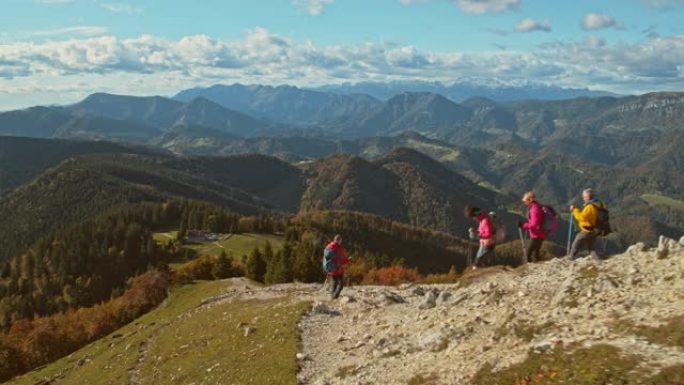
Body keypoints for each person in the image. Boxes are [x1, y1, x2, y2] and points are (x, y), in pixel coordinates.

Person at [568, 188, 605, 260]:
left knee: (576, 242)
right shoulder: (598, 204)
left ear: (588, 197)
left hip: (587, 230)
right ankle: (597, 260)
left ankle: (571, 257)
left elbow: (581, 217)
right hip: (595, 229)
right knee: (591, 247)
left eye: (584, 197)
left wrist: (574, 210)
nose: (583, 198)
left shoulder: (589, 207)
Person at [465, 205, 496, 269]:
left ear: (476, 215)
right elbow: (482, 231)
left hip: (487, 244)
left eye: (473, 217)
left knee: (478, 263)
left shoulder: (485, 221)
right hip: (485, 244)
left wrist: (478, 236)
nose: (473, 219)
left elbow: (489, 234)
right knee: (478, 261)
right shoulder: (482, 220)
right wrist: (475, 231)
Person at [519, 191, 545, 263]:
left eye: (525, 201)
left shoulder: (534, 209)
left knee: (527, 254)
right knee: (535, 253)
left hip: (537, 235)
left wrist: (523, 225)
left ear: (530, 200)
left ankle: (527, 269)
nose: (524, 203)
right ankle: (537, 267)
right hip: (540, 234)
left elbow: (534, 224)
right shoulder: (536, 206)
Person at [325, 234, 349, 299]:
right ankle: (334, 297)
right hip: (338, 269)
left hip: (331, 269)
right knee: (340, 284)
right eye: (340, 240)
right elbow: (343, 260)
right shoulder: (340, 248)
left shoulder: (329, 246)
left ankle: (332, 296)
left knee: (334, 283)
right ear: (339, 240)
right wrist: (348, 260)